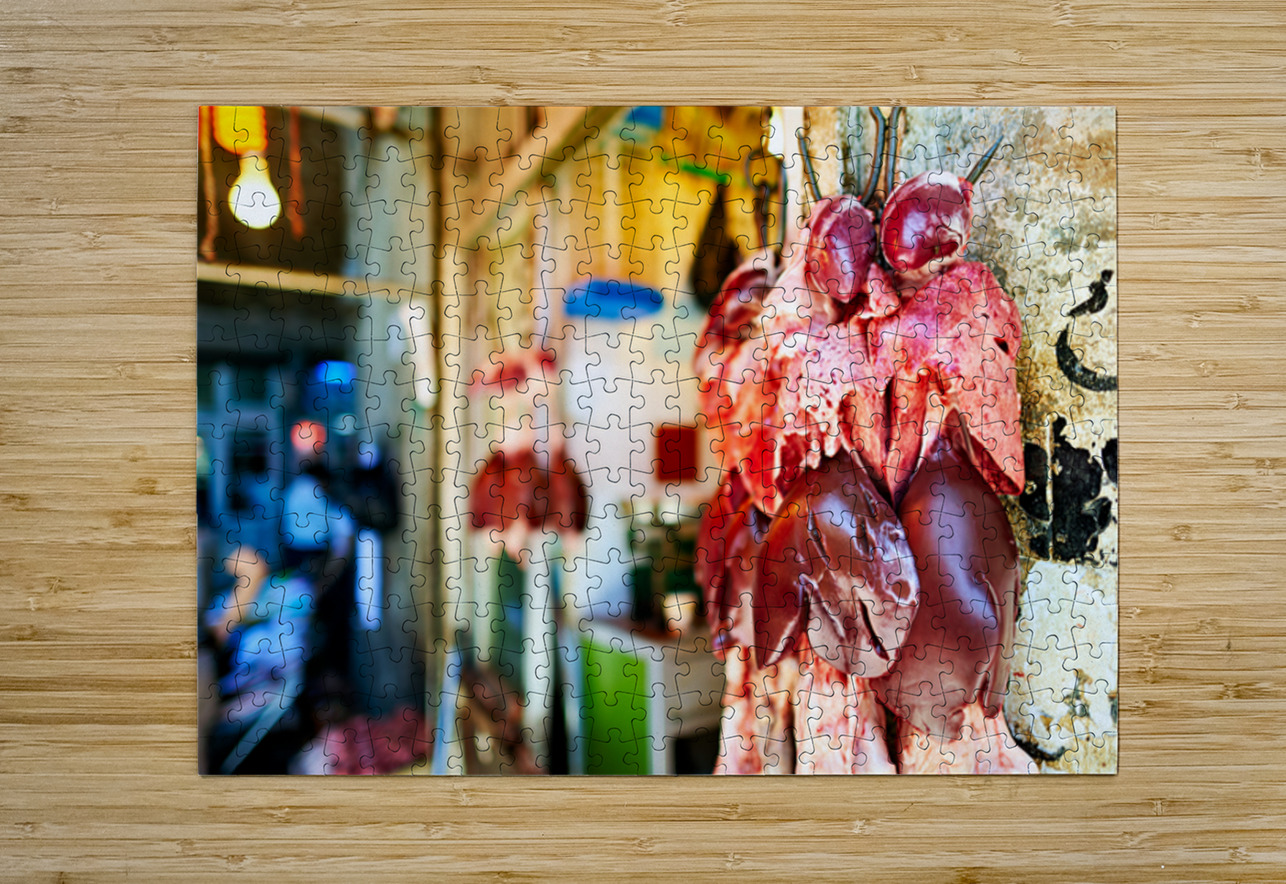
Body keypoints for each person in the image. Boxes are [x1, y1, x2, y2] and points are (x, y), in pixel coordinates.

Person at [205, 546, 320, 773]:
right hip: (248, 686)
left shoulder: (292, 591)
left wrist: (250, 579)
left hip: (267, 678)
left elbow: (254, 569)